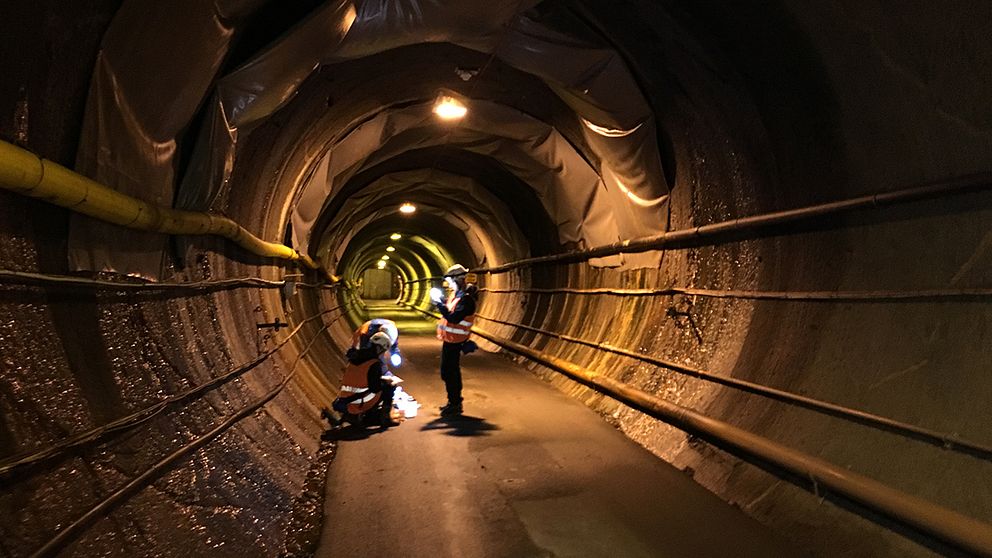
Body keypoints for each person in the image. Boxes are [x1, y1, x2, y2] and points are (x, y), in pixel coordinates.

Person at [431, 264, 477, 416]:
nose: (449, 284)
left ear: (459, 279)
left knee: (451, 373)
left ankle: (456, 403)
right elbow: (450, 308)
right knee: (447, 372)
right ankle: (453, 401)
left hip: (456, 342)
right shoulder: (456, 296)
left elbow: (454, 317)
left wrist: (439, 304)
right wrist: (441, 300)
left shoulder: (466, 299)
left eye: (451, 281)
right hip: (449, 340)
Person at [331, 331, 401, 428]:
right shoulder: (374, 363)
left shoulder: (356, 356)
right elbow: (375, 388)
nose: (383, 354)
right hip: (358, 401)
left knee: (379, 386)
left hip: (345, 398)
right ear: (379, 348)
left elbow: (362, 377)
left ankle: (357, 415)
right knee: (389, 387)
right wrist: (388, 382)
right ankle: (385, 419)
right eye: (383, 351)